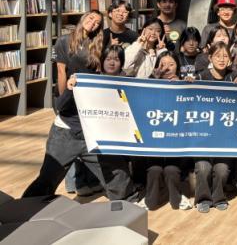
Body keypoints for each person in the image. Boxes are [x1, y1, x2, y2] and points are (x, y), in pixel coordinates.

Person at [23, 42, 137, 202]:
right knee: (48, 177)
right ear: (101, 61)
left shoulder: (125, 82)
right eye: (108, 59)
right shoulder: (85, 78)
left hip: (96, 136)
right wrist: (70, 89)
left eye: (116, 59)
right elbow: (60, 106)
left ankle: (128, 204)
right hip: (67, 133)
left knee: (117, 176)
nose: (112, 63)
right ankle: (26, 206)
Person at [140, 53, 192, 211]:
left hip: (177, 140)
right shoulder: (150, 85)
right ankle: (149, 199)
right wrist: (154, 80)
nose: (167, 68)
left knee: (171, 169)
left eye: (171, 64)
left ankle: (177, 197)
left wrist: (187, 86)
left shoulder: (185, 84)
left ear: (178, 66)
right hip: (154, 139)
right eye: (163, 64)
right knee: (154, 169)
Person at [193, 42, 236, 213]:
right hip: (202, 135)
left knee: (222, 170)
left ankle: (219, 197)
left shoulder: (233, 77)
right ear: (210, 58)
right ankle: (203, 198)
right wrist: (187, 85)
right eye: (218, 56)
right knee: (203, 168)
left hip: (225, 136)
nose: (222, 59)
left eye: (225, 56)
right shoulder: (200, 77)